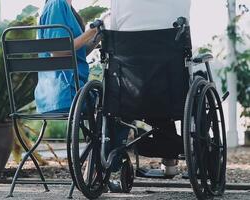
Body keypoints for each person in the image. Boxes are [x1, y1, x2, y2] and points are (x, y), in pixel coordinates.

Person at [36, 0, 128, 192]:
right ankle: (107, 168)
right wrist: (91, 32)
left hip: (65, 92)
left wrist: (95, 39)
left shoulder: (64, 7)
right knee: (120, 102)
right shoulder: (57, 4)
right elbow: (58, 50)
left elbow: (75, 51)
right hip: (67, 92)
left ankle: (96, 170)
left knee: (111, 103)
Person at [110, 0, 191, 176]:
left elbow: (114, 30)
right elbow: (185, 27)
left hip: (130, 92)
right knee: (163, 84)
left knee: (149, 88)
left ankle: (109, 162)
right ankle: (171, 161)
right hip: (170, 90)